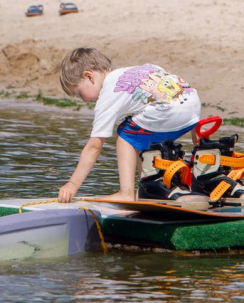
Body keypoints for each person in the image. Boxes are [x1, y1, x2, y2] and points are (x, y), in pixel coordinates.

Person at [57, 47, 203, 203]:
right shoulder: (141, 69)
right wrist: (196, 132)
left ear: (89, 77)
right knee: (140, 132)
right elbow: (174, 90)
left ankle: (125, 192)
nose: (84, 100)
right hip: (193, 106)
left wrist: (72, 184)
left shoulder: (109, 93)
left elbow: (94, 146)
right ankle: (150, 186)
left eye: (80, 93)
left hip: (168, 112)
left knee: (126, 136)